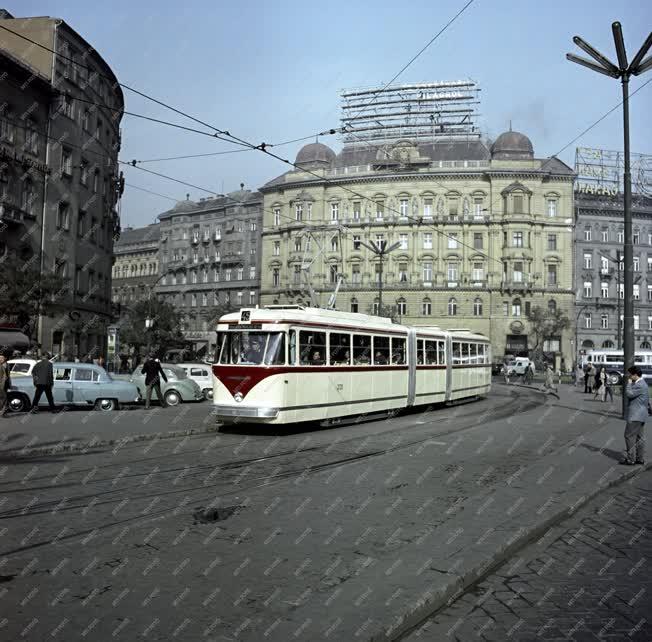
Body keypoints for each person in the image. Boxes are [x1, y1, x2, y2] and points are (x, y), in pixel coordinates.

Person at [621, 366, 648, 465]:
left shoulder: (640, 385)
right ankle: (640, 459)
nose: (628, 376)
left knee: (628, 436)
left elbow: (629, 394)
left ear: (635, 375)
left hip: (635, 415)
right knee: (639, 437)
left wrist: (628, 384)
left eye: (630, 374)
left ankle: (630, 459)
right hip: (641, 415)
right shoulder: (641, 383)